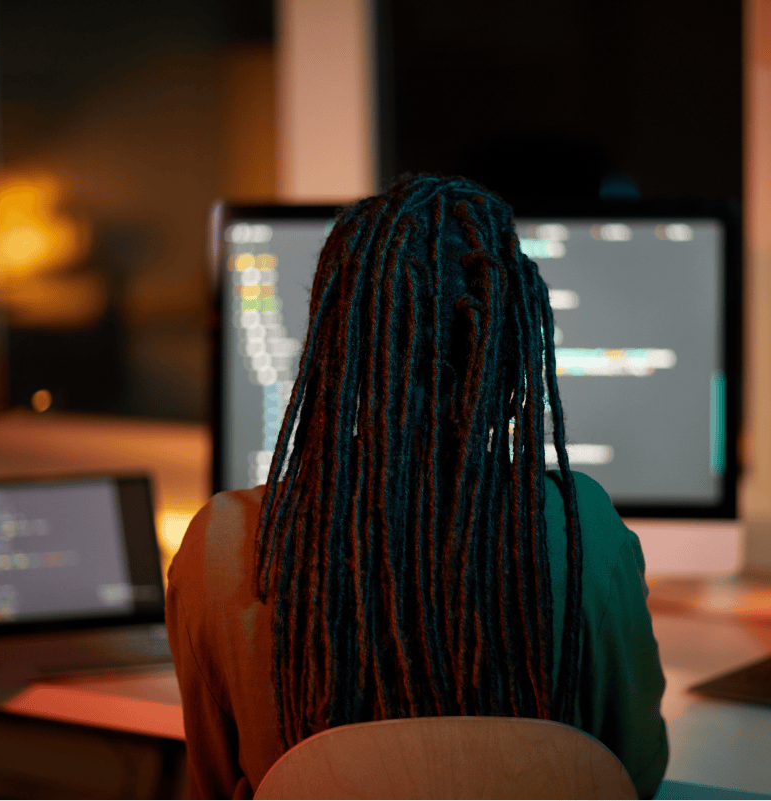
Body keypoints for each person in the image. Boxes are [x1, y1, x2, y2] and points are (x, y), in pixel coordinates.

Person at [166, 175, 668, 799]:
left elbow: (214, 785)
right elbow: (636, 773)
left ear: (334, 347)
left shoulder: (227, 541)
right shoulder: (582, 525)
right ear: (510, 353)